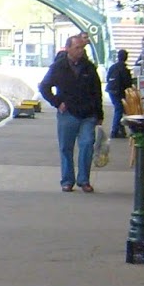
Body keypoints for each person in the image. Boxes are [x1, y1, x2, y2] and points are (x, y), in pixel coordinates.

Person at [39, 33, 105, 193]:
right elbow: (44, 87)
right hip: (67, 113)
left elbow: (97, 91)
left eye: (82, 48)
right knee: (66, 148)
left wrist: (99, 113)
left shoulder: (89, 67)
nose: (80, 51)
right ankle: (67, 180)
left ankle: (84, 180)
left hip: (88, 114)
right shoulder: (58, 67)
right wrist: (57, 103)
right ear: (68, 48)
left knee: (87, 144)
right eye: (77, 48)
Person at [105, 48, 133, 138]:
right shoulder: (124, 69)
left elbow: (107, 78)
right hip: (119, 91)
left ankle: (120, 130)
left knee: (119, 109)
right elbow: (127, 83)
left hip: (111, 90)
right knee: (119, 109)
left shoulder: (113, 67)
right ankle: (114, 131)